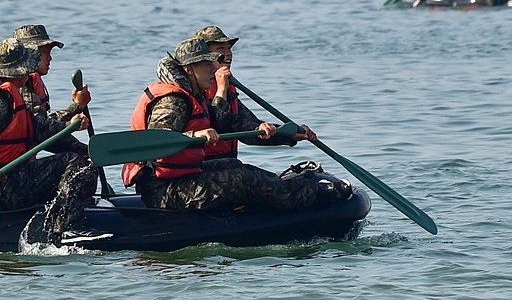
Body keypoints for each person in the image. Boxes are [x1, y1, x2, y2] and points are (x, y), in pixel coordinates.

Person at [121, 38, 353, 213]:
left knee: (237, 165)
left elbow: (226, 122)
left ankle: (301, 190)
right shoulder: (173, 101)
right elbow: (157, 140)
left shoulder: (193, 94)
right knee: (241, 179)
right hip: (164, 190)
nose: (213, 70)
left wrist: (284, 134)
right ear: (189, 69)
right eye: (205, 65)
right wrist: (195, 133)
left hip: (181, 177)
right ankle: (318, 198)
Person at [0, 38, 109, 246]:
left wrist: (71, 125)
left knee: (79, 159)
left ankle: (65, 213)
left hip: (5, 183)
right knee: (75, 164)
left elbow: (38, 129)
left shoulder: (10, 95)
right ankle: (69, 226)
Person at [190, 25, 297, 163]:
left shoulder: (227, 86)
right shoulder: (196, 88)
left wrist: (290, 134)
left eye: (229, 47)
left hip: (226, 164)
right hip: (202, 167)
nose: (228, 53)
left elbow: (246, 124)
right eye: (220, 49)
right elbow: (220, 124)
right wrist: (221, 89)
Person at [13, 24, 89, 123]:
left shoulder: (32, 79)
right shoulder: (22, 83)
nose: (50, 58)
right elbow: (40, 127)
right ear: (28, 54)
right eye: (44, 52)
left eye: (50, 52)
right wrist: (77, 105)